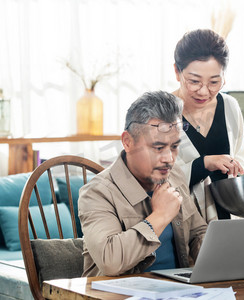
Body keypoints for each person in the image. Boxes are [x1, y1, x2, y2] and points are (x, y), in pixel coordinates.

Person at [78, 91, 208, 277]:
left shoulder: (174, 175)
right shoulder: (96, 193)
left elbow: (198, 231)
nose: (169, 159)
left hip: (179, 292)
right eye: (158, 147)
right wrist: (160, 216)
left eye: (174, 146)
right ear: (127, 142)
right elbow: (110, 261)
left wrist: (222, 258)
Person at [172, 29, 244, 223]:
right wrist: (204, 163)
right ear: (177, 72)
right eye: (194, 81)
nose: (204, 91)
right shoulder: (162, 113)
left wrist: (240, 172)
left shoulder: (230, 106)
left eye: (214, 82)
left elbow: (242, 160)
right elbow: (155, 181)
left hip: (230, 221)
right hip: (182, 226)